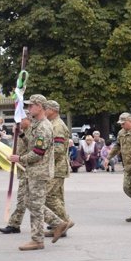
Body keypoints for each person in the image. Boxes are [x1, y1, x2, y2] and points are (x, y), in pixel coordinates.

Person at [7, 94, 69, 251]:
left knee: (34, 204)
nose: (28, 109)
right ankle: (57, 223)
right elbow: (32, 146)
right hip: (34, 171)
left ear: (39, 107)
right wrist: (21, 134)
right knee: (30, 202)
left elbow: (37, 153)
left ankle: (38, 239)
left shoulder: (43, 127)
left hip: (39, 172)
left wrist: (18, 158)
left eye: (31, 106)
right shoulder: (39, 124)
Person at [42, 100, 74, 238]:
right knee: (57, 198)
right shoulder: (52, 124)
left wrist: (41, 158)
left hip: (57, 167)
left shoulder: (58, 126)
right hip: (56, 167)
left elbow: (58, 149)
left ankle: (65, 221)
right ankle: (59, 227)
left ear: (53, 110)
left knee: (48, 196)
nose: (44, 110)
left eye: (46, 108)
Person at [0, 111, 33, 234]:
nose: (17, 123)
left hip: (29, 169)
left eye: (20, 120)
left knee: (24, 199)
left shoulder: (32, 130)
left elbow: (33, 147)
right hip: (22, 168)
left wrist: (21, 134)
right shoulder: (19, 131)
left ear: (28, 119)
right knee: (24, 199)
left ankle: (58, 222)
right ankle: (15, 224)